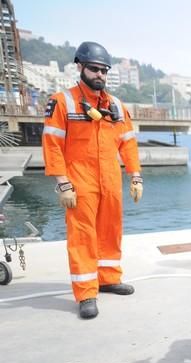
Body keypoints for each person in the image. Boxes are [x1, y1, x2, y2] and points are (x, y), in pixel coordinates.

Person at [42, 41, 142, 319]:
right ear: (80, 67)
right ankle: (86, 291)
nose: (100, 75)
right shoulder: (63, 102)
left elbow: (128, 144)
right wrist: (62, 182)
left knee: (111, 229)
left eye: (104, 71)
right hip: (79, 179)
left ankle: (108, 277)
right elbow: (52, 144)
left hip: (110, 178)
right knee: (83, 235)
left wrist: (135, 177)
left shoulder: (117, 106)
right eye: (95, 69)